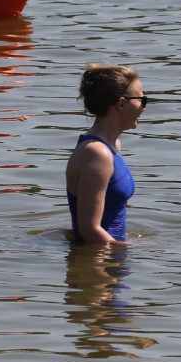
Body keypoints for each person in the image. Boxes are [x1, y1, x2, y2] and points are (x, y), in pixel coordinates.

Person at [66, 63, 146, 244]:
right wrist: (136, 251)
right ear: (122, 103)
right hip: (97, 263)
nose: (144, 107)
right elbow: (89, 230)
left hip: (111, 257)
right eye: (142, 100)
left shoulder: (113, 146)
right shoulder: (96, 153)